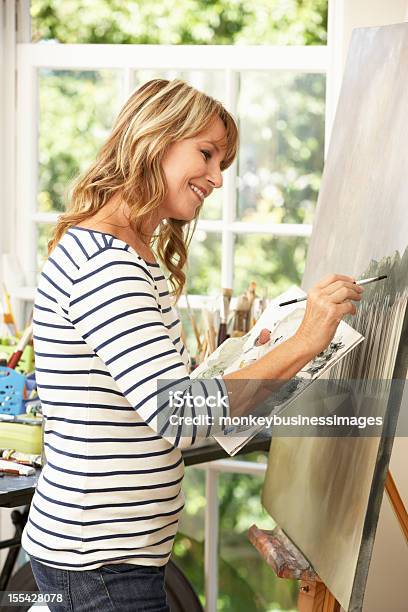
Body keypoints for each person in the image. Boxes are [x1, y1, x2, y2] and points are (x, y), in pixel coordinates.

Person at [21, 79, 363, 611]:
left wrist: (253, 362)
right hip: (100, 561)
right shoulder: (108, 265)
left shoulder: (129, 253)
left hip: (108, 556)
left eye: (222, 161)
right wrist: (304, 341)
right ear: (153, 138)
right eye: (205, 153)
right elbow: (178, 416)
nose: (217, 178)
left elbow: (153, 397)